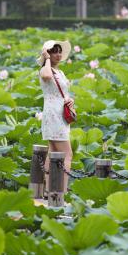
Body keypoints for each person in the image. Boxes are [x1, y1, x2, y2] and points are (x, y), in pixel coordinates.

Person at [38, 40, 74, 189]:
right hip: (53, 115)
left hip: (61, 114)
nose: (58, 55)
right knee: (67, 154)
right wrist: (46, 59)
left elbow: (63, 92)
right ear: (47, 53)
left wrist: (70, 100)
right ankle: (61, 191)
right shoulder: (44, 70)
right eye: (54, 52)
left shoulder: (61, 72)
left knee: (53, 152)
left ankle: (49, 190)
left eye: (60, 51)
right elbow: (47, 76)